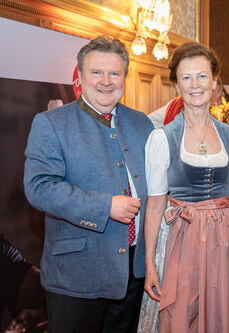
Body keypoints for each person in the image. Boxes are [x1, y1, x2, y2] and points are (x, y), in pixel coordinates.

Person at [24, 36, 154, 333]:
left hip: (131, 275)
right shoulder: (51, 123)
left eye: (115, 73)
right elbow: (39, 187)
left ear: (125, 78)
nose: (106, 81)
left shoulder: (142, 123)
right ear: (80, 77)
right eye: (97, 72)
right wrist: (105, 206)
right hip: (77, 277)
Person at [141, 42, 229, 333]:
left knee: (224, 318)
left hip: (226, 242)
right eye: (187, 77)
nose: (195, 85)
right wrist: (150, 265)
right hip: (183, 241)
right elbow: (155, 207)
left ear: (215, 82)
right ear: (177, 84)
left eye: (202, 76)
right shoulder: (162, 138)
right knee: (185, 316)